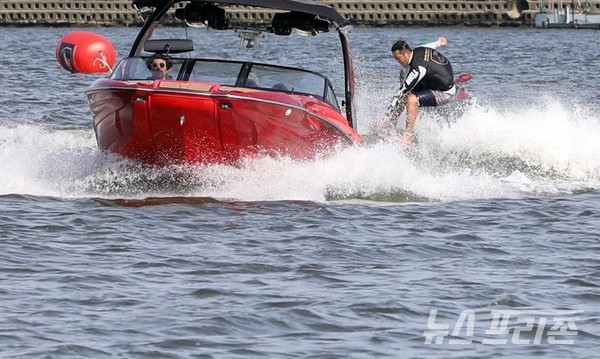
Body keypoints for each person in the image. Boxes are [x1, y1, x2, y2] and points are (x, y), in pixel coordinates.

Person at [380, 37, 455, 146]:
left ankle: (407, 137)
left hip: (444, 92)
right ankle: (390, 125)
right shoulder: (418, 49)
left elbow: (403, 90)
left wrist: (386, 115)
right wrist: (439, 42)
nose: (397, 62)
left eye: (398, 58)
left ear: (406, 53)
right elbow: (430, 45)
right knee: (406, 95)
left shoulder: (419, 67)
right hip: (431, 82)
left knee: (411, 99)